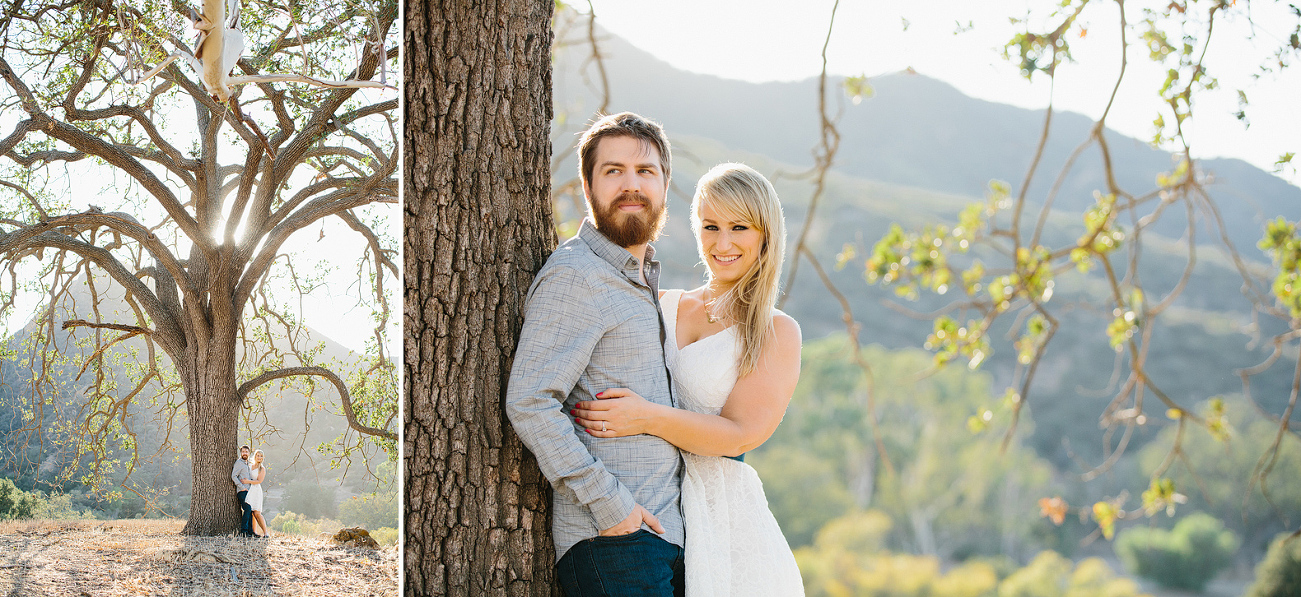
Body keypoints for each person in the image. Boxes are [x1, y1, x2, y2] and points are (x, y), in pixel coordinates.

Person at [572, 163, 805, 595]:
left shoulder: (775, 331)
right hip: (642, 500)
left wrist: (646, 418)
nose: (723, 243)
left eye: (739, 227)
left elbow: (739, 434)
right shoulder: (659, 302)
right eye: (710, 225)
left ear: (766, 234)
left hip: (722, 517)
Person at [506, 111, 685, 596]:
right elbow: (529, 401)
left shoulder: (640, 280)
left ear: (665, 185)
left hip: (663, 540)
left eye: (645, 171)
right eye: (614, 171)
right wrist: (613, 509)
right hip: (614, 545)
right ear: (588, 187)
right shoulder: (576, 274)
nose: (632, 185)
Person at [231, 445, 255, 537]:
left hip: (250, 491)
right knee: (247, 509)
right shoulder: (239, 463)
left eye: (246, 451)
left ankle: (250, 531)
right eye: (243, 451)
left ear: (249, 453)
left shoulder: (248, 464)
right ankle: (244, 531)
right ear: (241, 453)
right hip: (242, 491)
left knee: (250, 511)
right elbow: (234, 476)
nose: (245, 453)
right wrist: (241, 487)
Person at [246, 449, 270, 539]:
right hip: (249, 490)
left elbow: (259, 481)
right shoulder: (250, 465)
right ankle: (254, 532)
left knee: (257, 513)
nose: (259, 457)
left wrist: (247, 481)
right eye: (258, 455)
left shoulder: (262, 468)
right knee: (251, 512)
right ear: (255, 456)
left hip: (256, 490)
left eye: (261, 456)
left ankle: (265, 532)